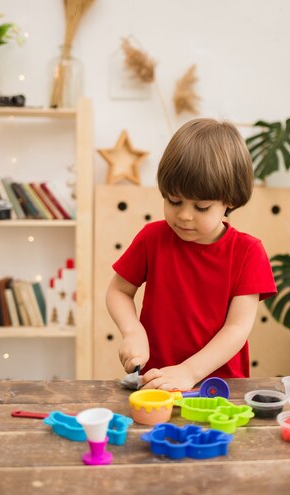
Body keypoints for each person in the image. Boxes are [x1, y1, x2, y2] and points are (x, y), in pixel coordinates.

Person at [106, 118, 277, 391]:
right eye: (174, 201)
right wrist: (132, 331)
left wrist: (188, 372)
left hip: (221, 389)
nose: (184, 215)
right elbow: (119, 291)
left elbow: (237, 328)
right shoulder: (152, 238)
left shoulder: (248, 252)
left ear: (229, 201)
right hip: (157, 383)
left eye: (201, 207)